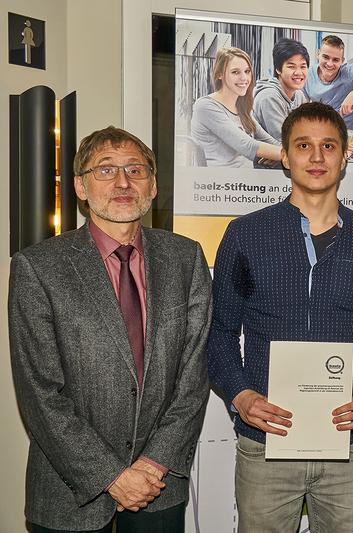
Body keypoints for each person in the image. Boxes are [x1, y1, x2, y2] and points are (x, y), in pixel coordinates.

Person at [207, 102, 353, 533]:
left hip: (347, 448)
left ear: (345, 154)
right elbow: (219, 332)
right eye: (303, 146)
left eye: (328, 146)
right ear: (286, 155)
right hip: (266, 442)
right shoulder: (245, 234)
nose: (316, 158)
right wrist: (240, 396)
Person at [9, 126, 212, 532]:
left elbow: (193, 377)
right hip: (68, 492)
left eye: (135, 170)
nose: (122, 182)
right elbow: (40, 394)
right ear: (81, 187)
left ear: (153, 185)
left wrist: (153, 463)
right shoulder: (38, 268)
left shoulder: (185, 258)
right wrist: (113, 477)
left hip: (160, 486)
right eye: (105, 170)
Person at [190, 47, 281, 167]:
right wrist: (287, 155)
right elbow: (248, 146)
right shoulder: (205, 106)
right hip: (218, 183)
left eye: (247, 71)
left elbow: (272, 143)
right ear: (219, 75)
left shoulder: (242, 110)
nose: (244, 78)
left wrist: (278, 154)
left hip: (245, 183)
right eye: (235, 72)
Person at [303, 35, 353, 129]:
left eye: (336, 60)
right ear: (318, 54)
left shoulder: (349, 74)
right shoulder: (307, 74)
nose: (330, 64)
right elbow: (302, 109)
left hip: (344, 134)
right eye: (326, 57)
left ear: (342, 61)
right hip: (318, 131)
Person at [253, 38, 310, 143]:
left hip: (283, 155)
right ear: (278, 69)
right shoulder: (269, 96)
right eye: (291, 67)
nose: (298, 72)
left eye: (303, 66)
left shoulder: (299, 95)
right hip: (264, 157)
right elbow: (284, 140)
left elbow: (309, 131)